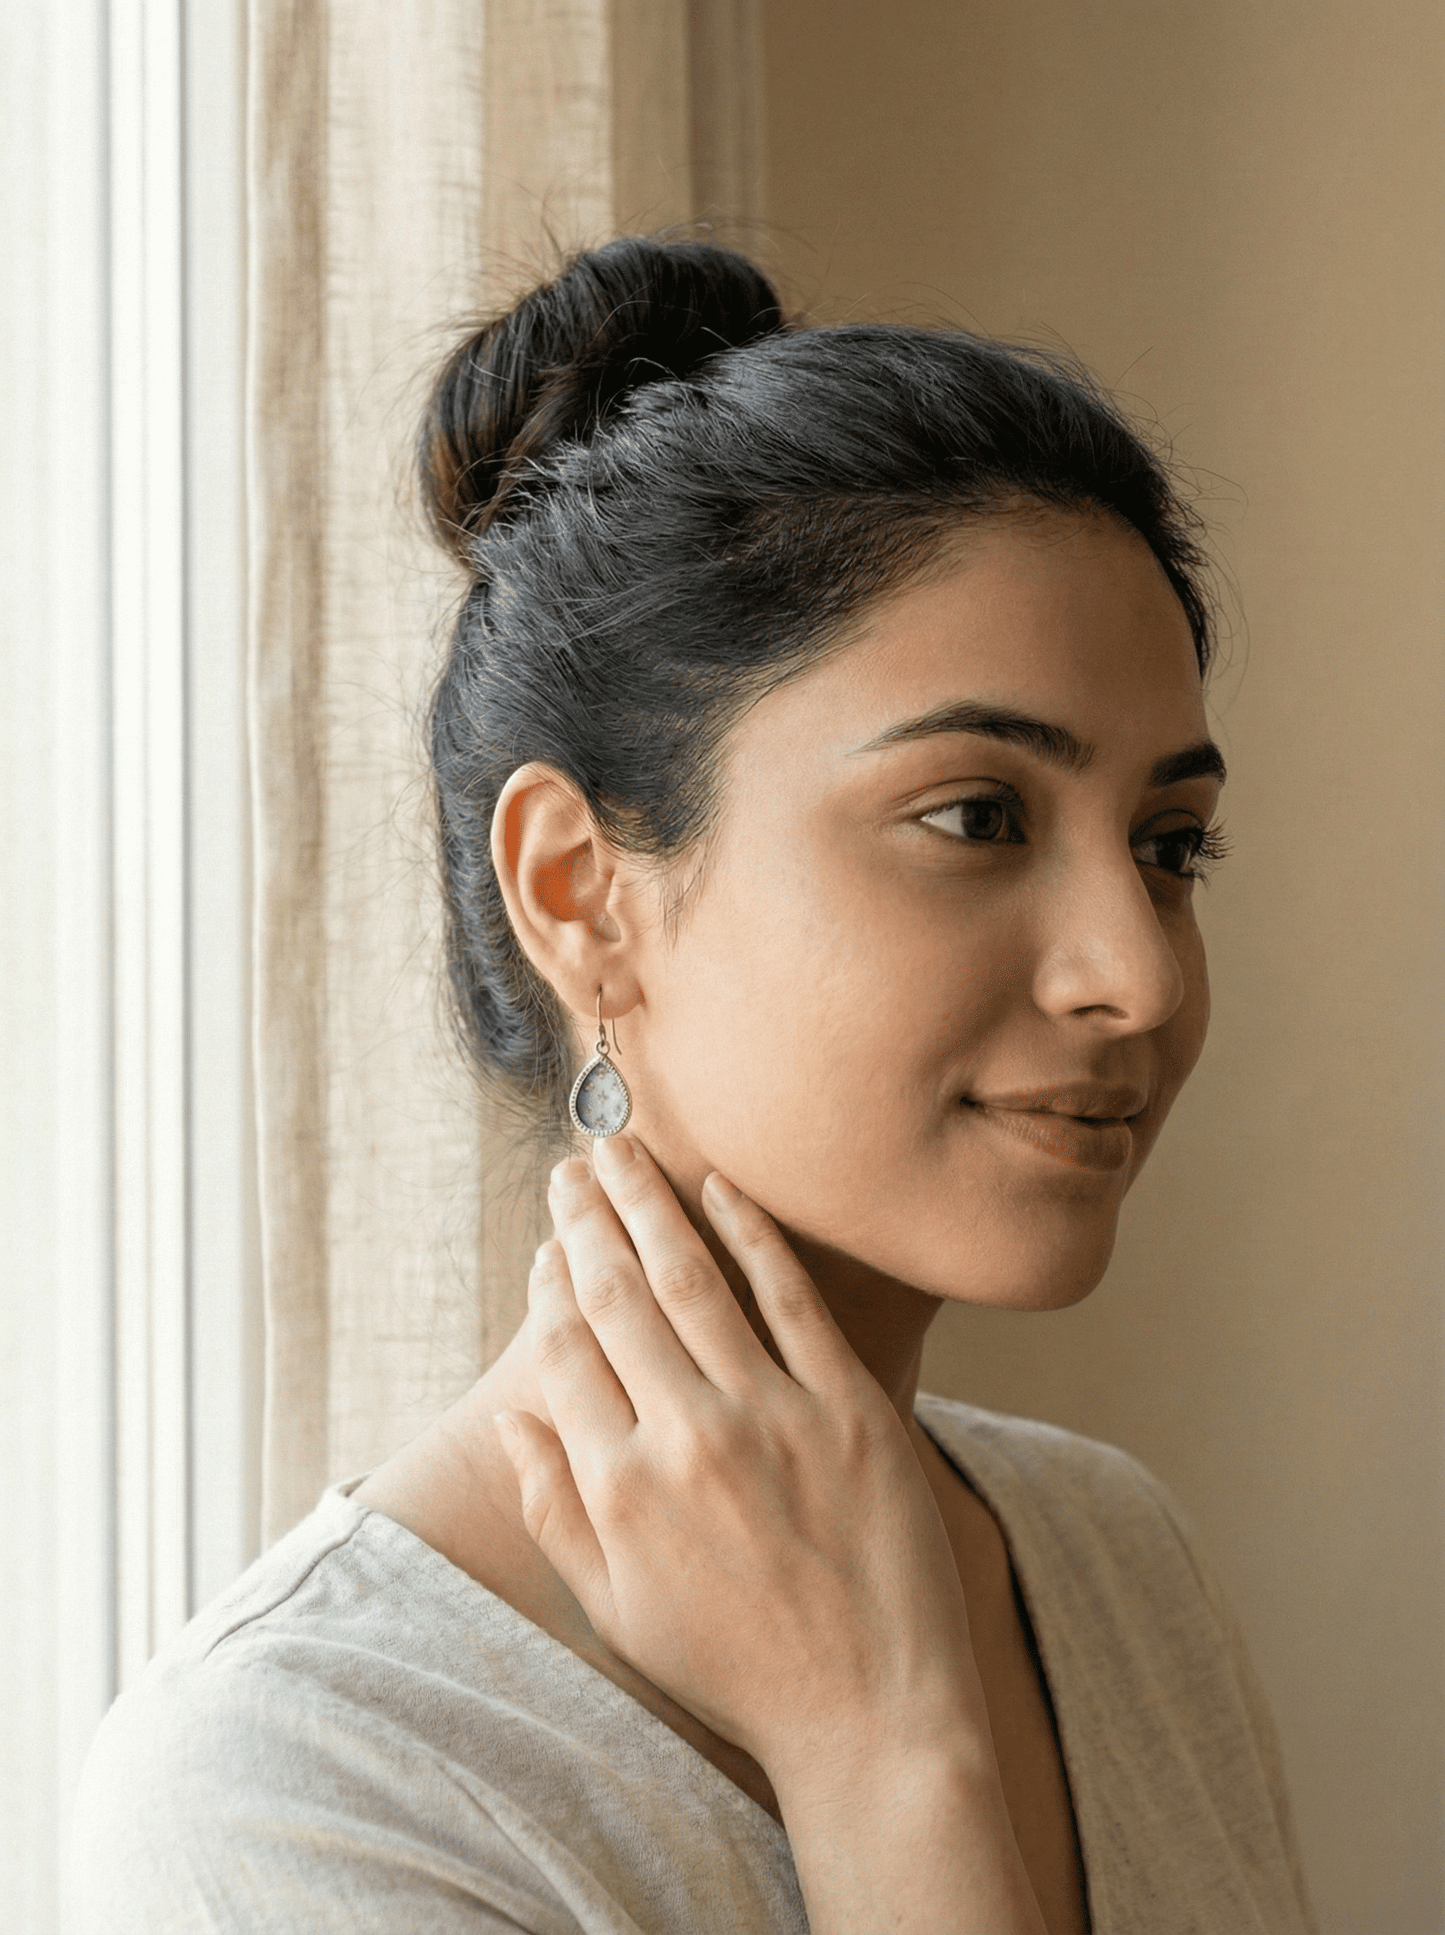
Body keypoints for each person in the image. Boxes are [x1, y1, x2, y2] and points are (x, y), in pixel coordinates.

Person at [73, 237, 1319, 1933]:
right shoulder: (301, 1779)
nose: (1142, 973)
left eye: (1171, 845)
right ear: (580, 889)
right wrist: (883, 1755)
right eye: (978, 816)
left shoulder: (1112, 1561)